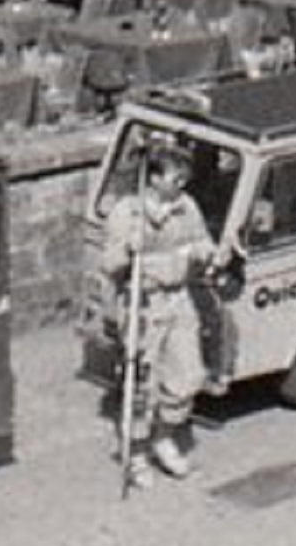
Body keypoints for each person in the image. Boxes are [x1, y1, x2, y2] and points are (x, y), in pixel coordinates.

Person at [91, 135, 219, 478]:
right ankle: (136, 454)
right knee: (141, 384)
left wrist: (204, 252)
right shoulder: (126, 213)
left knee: (189, 375)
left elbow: (204, 240)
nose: (181, 184)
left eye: (183, 179)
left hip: (179, 301)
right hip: (143, 305)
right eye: (175, 178)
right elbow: (109, 265)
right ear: (154, 178)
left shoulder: (187, 206)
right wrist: (128, 249)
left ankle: (165, 437)